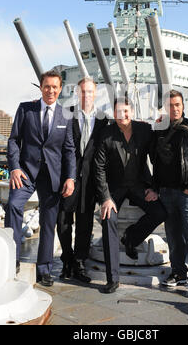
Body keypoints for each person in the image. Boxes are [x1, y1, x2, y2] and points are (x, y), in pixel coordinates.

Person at [5, 70, 76, 287]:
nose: (51, 90)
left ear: (60, 89)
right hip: (25, 173)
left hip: (52, 177)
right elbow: (14, 140)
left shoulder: (67, 115)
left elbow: (69, 150)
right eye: (47, 86)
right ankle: (12, 259)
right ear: (41, 87)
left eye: (55, 87)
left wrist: (70, 178)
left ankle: (44, 269)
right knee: (13, 206)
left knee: (48, 222)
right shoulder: (26, 109)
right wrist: (14, 168)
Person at [94, 97, 167, 294]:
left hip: (138, 185)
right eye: (118, 112)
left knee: (159, 212)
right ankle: (112, 278)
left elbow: (157, 158)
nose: (122, 116)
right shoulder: (106, 134)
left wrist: (155, 188)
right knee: (108, 218)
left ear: (132, 112)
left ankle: (131, 238)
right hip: (114, 187)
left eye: (126, 111)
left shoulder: (144, 130)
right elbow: (99, 168)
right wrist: (105, 198)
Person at [152, 90, 188, 300]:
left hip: (187, 193)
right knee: (174, 236)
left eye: (177, 104)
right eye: (170, 105)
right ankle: (178, 273)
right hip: (166, 192)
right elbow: (154, 158)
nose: (174, 109)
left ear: (183, 106)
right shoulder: (159, 129)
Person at [57, 77, 108, 283]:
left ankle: (79, 262)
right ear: (77, 94)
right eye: (82, 92)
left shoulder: (104, 119)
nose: (86, 95)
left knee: (85, 223)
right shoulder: (66, 114)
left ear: (95, 94)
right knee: (63, 222)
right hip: (67, 177)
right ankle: (66, 259)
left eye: (90, 92)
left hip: (89, 179)